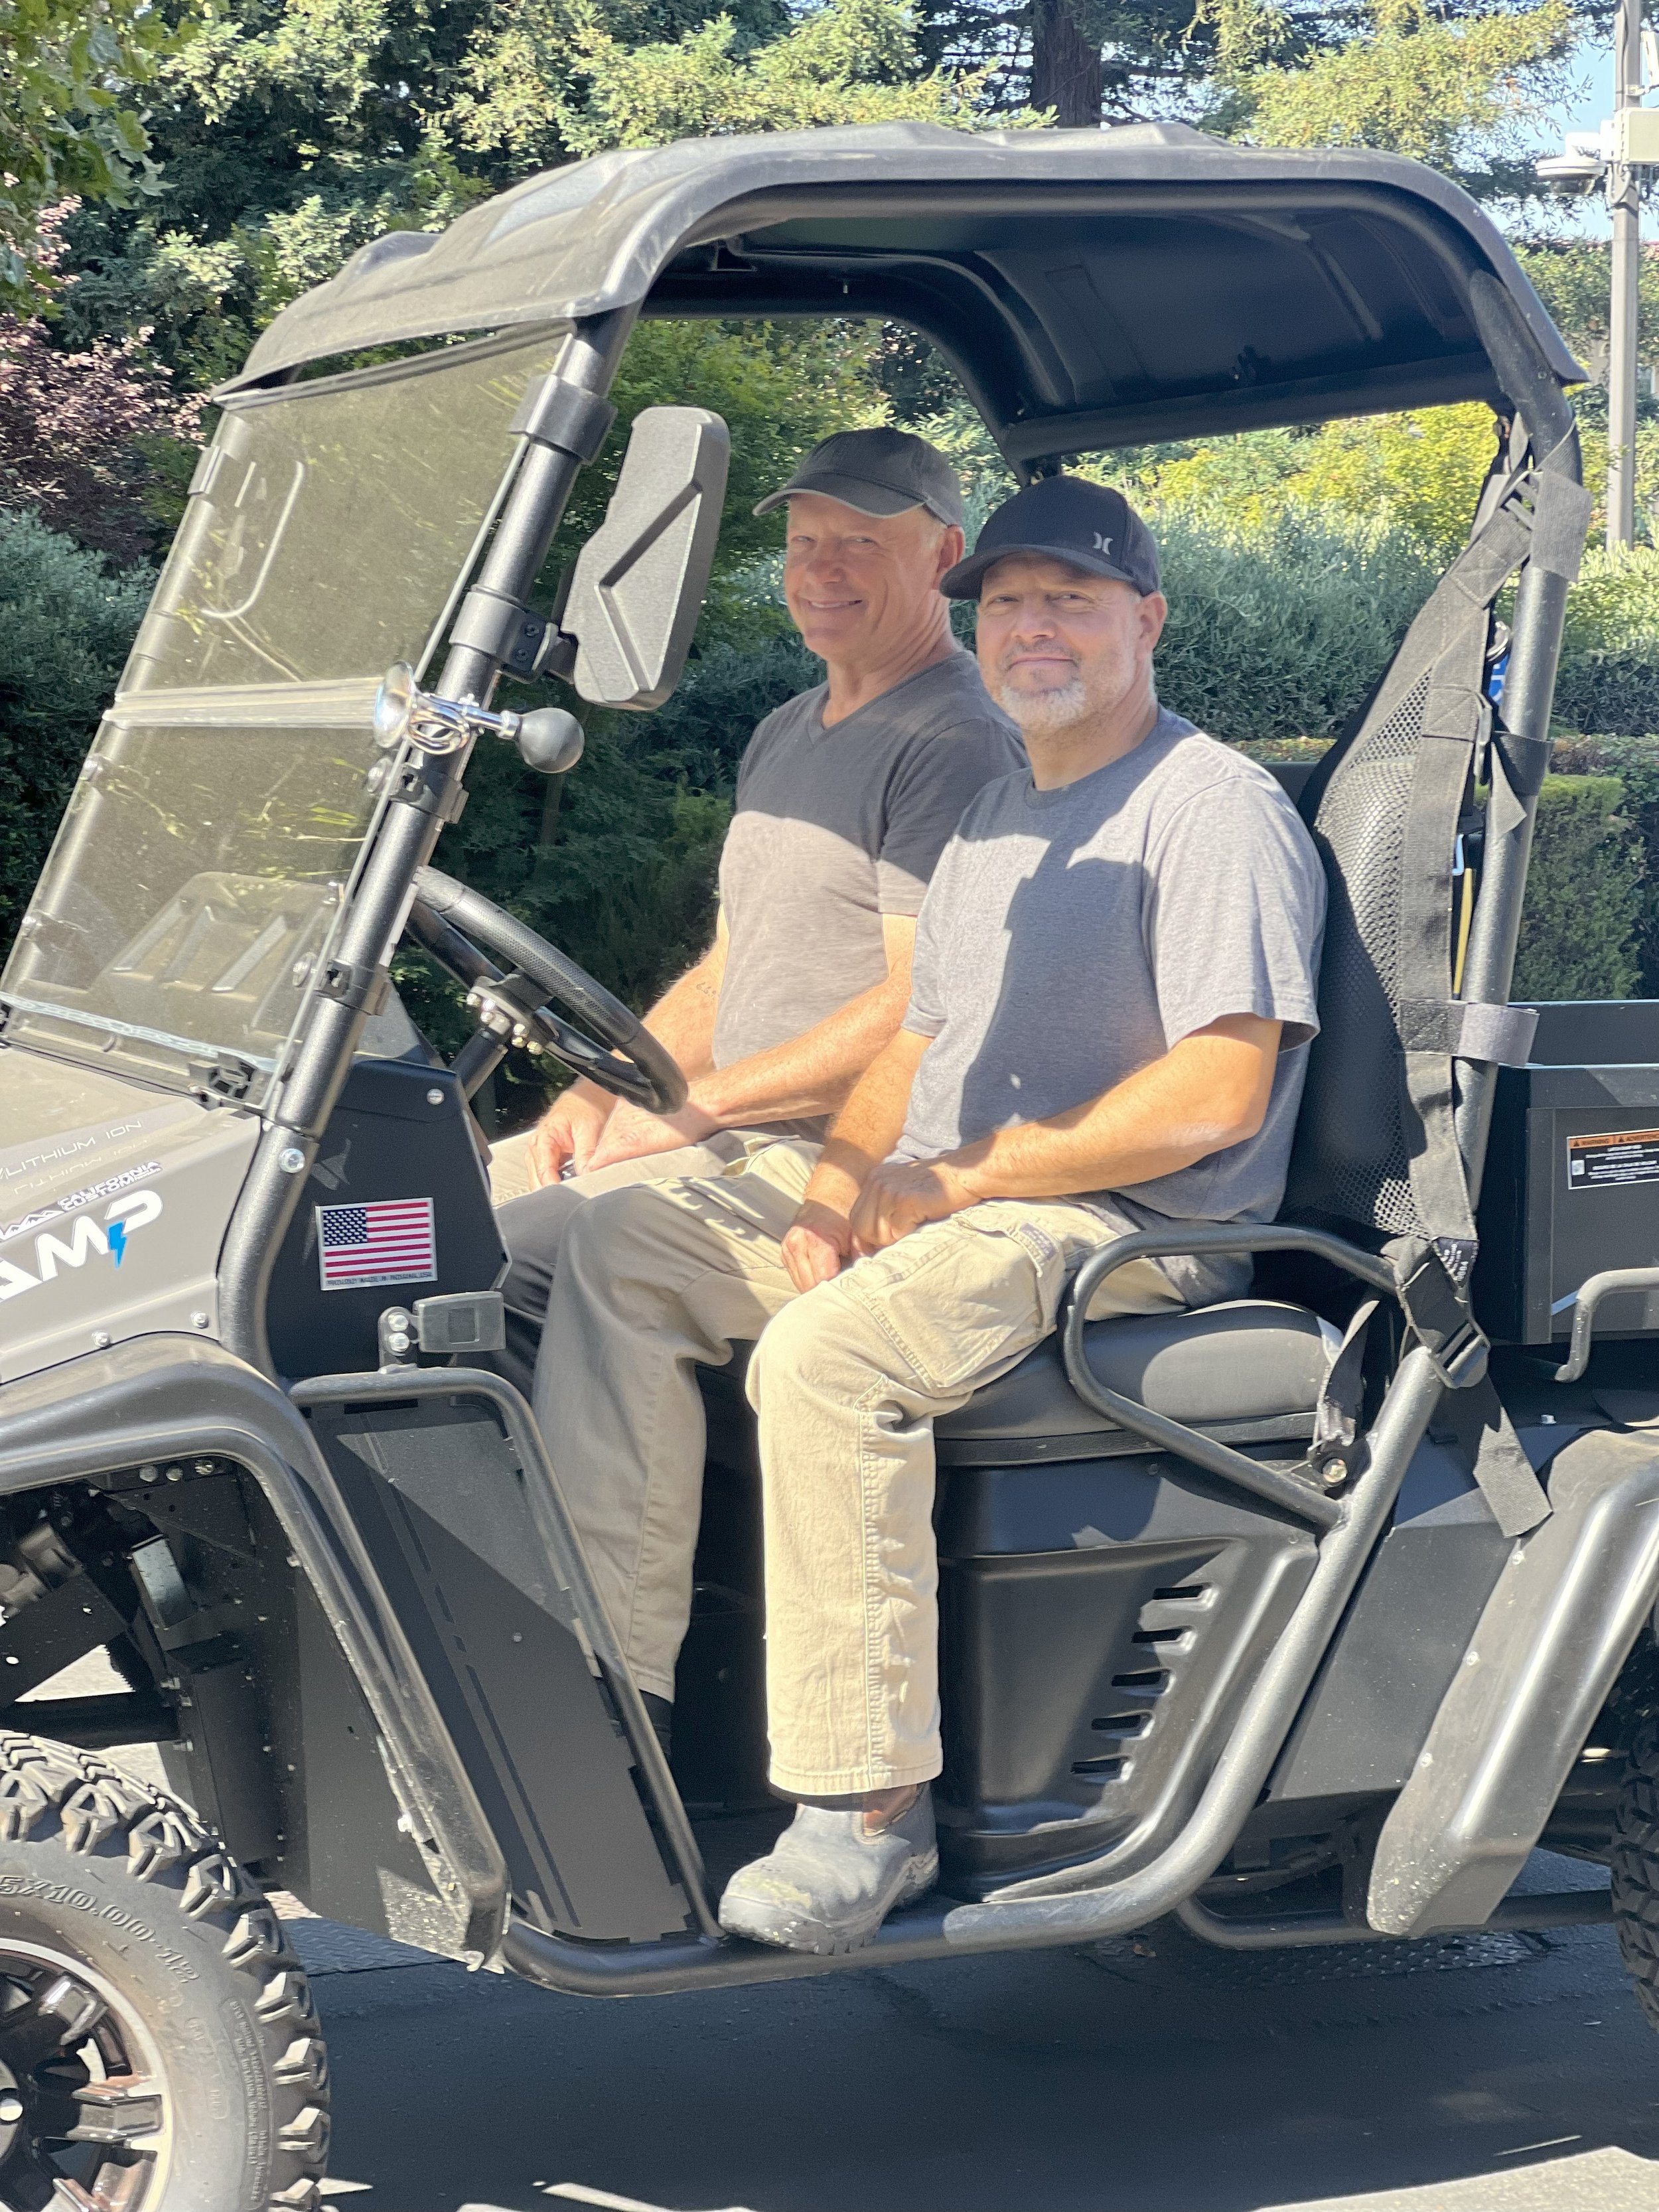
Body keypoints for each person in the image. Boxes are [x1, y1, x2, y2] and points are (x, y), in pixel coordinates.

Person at [541, 475, 1327, 1953]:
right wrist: (836, 1188)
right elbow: (911, 1047)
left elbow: (1220, 1088)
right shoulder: (995, 811)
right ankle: (615, 1692)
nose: (1032, 629)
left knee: (826, 1357)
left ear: (1145, 618)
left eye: (1070, 601)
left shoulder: (1207, 805)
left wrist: (960, 1178)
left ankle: (865, 1812)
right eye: (1012, 604)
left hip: (1117, 1220)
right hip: (971, 1188)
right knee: (621, 1240)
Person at [486, 427, 1023, 1404]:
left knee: (499, 1257)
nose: (821, 569)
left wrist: (697, 1108)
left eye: (860, 542)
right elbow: (730, 963)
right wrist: (609, 1089)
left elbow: (921, 1001)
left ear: (945, 556)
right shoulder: (785, 729)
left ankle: (540, 1540)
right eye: (803, 542)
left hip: (828, 1149)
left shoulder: (958, 740)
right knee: (402, 1211)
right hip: (723, 1120)